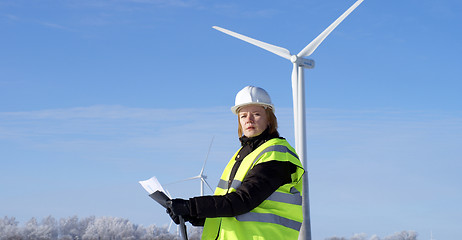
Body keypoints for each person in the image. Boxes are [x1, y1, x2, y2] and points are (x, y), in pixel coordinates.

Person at [167, 86, 305, 240]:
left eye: (256, 114)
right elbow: (230, 212)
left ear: (269, 119)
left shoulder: (276, 154)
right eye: (243, 116)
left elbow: (242, 201)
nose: (249, 120)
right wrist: (192, 215)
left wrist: (191, 206)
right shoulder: (243, 155)